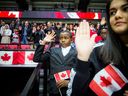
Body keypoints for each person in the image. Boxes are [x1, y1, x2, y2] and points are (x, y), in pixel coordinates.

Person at [71, 0, 128, 96]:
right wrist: (82, 59)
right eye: (112, 12)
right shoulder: (98, 52)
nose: (117, 15)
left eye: (126, 9)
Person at [33, 30, 77, 96]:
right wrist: (44, 42)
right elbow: (37, 58)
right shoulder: (52, 50)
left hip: (70, 89)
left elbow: (80, 72)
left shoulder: (77, 53)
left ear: (71, 40)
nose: (63, 40)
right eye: (61, 38)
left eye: (66, 38)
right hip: (54, 88)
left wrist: (70, 83)